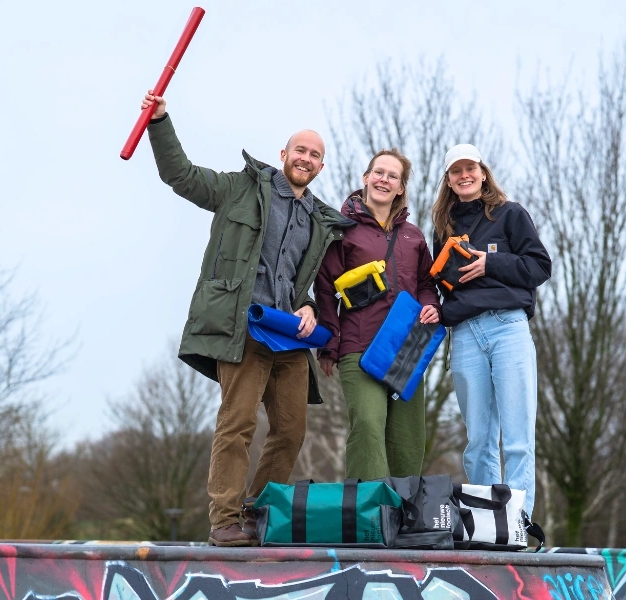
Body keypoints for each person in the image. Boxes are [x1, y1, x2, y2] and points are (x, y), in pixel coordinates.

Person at [140, 92, 353, 546]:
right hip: (244, 327)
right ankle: (225, 520)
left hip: (289, 337)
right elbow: (181, 175)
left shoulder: (320, 220)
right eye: (300, 150)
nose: (306, 158)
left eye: (315, 155)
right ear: (284, 154)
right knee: (237, 424)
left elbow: (313, 282)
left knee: (292, 430)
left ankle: (258, 513)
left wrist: (312, 305)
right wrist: (159, 121)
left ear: (321, 166)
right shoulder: (241, 189)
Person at [431, 144, 551, 517]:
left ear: (483, 172)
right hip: (465, 334)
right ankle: (487, 524)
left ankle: (517, 523)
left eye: (470, 168)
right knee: (479, 441)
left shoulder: (511, 215)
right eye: (456, 171)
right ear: (448, 181)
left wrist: (490, 263)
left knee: (516, 438)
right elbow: (440, 285)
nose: (464, 175)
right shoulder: (443, 229)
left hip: (507, 328)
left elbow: (539, 267)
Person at [315, 149, 440, 481]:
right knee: (369, 427)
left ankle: (402, 518)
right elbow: (325, 288)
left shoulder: (414, 235)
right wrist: (329, 344)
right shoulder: (342, 230)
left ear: (401, 187)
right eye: (379, 172)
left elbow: (428, 283)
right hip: (359, 347)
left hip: (408, 347)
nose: (384, 179)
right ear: (366, 178)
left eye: (393, 176)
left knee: (407, 441)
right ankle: (369, 516)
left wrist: (432, 305)